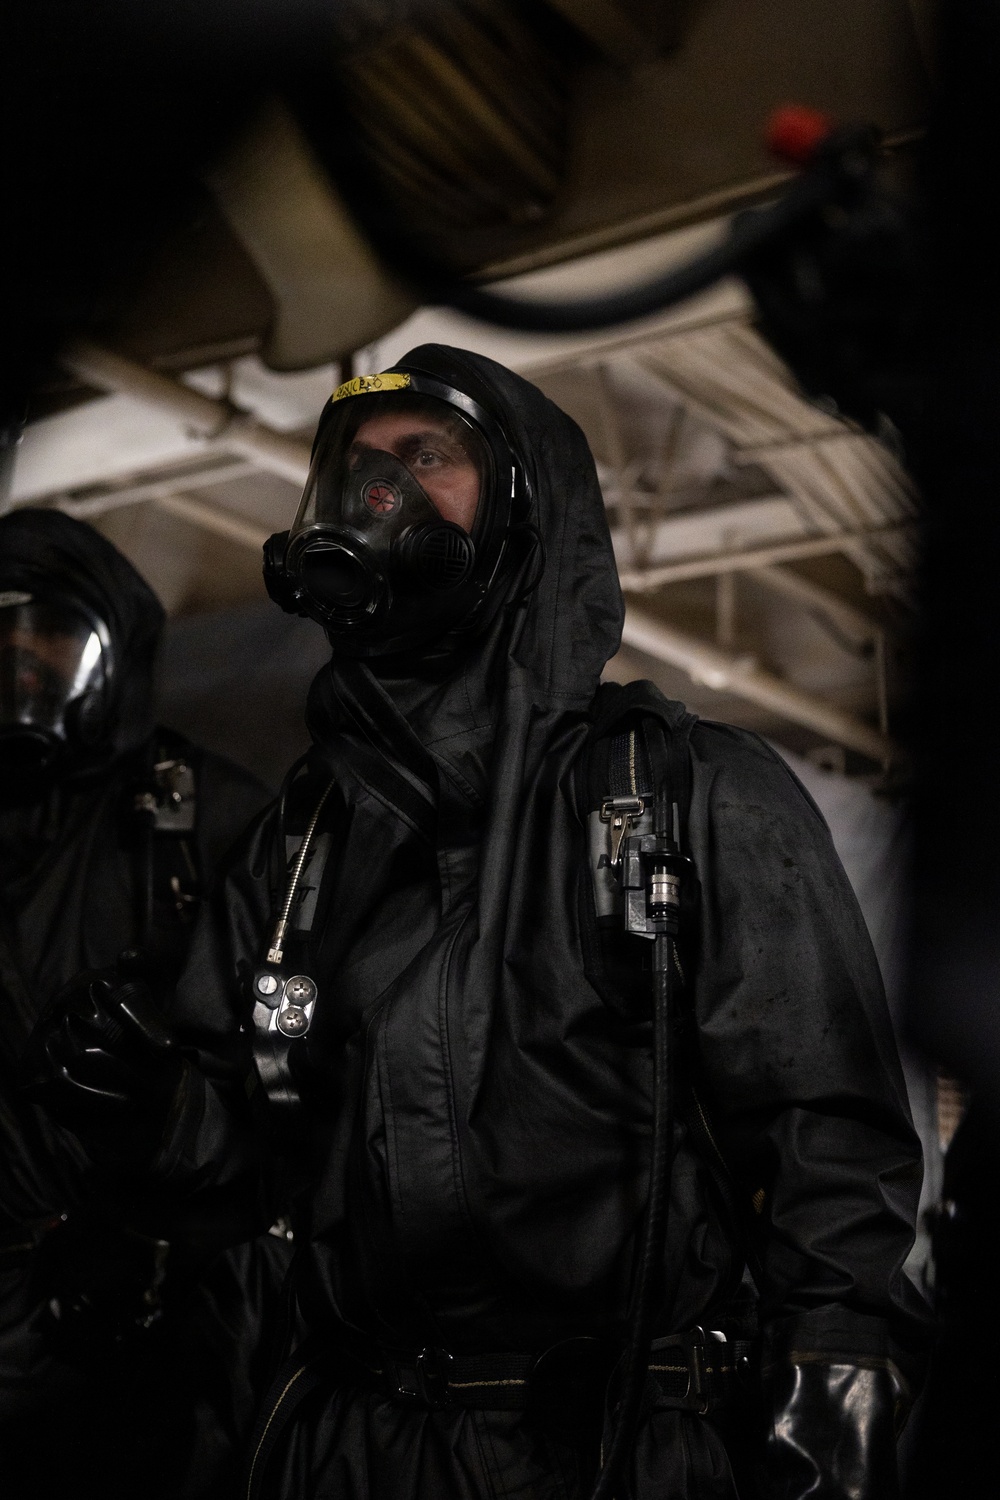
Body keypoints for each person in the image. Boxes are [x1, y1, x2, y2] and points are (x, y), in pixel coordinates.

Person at [30, 349, 930, 1499]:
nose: (379, 491)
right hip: (355, 1449)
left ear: (521, 509)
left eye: (426, 458)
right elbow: (245, 1156)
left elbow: (825, 1118)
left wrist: (838, 1348)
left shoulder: (689, 795)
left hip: (617, 1452)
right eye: (356, 467)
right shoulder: (300, 845)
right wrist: (148, 1108)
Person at [0, 508, 286, 1499]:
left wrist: (164, 1228)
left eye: (52, 637)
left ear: (116, 656)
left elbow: (305, 1096)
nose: (24, 667)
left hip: (156, 1331)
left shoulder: (210, 824)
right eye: (1, 637)